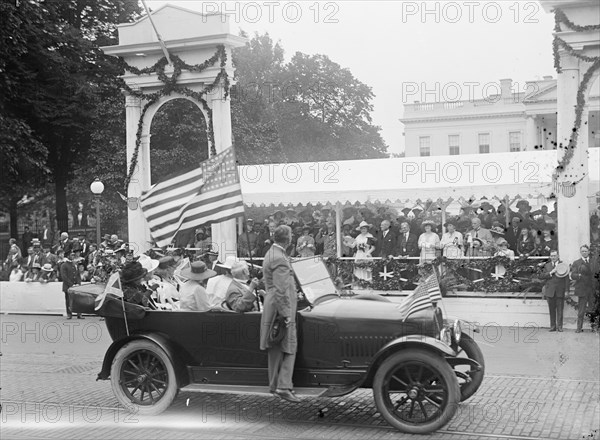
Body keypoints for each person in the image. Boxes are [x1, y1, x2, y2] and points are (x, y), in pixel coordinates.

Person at [259, 225, 301, 403]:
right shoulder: (280, 258)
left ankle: (276, 385)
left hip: (274, 306)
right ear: (288, 239)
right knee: (289, 345)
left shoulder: (272, 253)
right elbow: (281, 290)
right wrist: (287, 314)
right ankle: (283, 386)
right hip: (280, 308)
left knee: (276, 348)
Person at [570, 245, 600, 333]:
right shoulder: (576, 263)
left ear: (589, 252)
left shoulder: (594, 262)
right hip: (582, 290)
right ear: (580, 252)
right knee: (581, 310)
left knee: (593, 310)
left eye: (586, 251)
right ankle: (579, 328)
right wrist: (578, 275)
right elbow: (572, 275)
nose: (584, 253)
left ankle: (594, 327)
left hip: (592, 290)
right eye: (582, 251)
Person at [540, 250, 569, 332]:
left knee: (560, 310)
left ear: (558, 256)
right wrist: (550, 273)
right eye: (551, 256)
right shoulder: (547, 265)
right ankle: (552, 327)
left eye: (554, 255)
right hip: (550, 291)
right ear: (550, 257)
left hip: (560, 290)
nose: (553, 257)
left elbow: (567, 279)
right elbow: (541, 276)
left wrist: (567, 291)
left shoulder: (563, 265)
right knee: (551, 310)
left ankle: (560, 327)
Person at [60, 251, 82, 319]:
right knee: (68, 301)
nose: (73, 256)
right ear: (68, 256)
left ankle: (79, 314)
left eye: (73, 255)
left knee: (78, 300)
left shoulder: (75, 264)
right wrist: (71, 284)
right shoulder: (64, 265)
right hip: (68, 286)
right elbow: (64, 277)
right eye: (71, 255)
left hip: (76, 285)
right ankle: (69, 314)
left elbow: (78, 275)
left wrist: (78, 283)